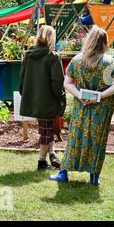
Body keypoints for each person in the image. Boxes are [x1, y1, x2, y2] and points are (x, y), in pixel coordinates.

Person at [49, 26, 114, 186]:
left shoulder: (77, 60)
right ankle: (94, 176)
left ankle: (64, 172)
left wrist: (80, 95)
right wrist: (100, 96)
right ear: (104, 42)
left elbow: (67, 83)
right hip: (102, 107)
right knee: (98, 139)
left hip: (81, 106)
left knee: (76, 136)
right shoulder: (109, 62)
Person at [19, 25, 65, 170]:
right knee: (46, 131)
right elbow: (57, 81)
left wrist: (26, 94)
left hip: (34, 99)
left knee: (46, 129)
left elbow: (22, 78)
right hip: (49, 101)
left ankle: (52, 154)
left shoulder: (28, 54)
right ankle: (41, 162)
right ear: (51, 38)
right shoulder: (53, 56)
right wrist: (61, 97)